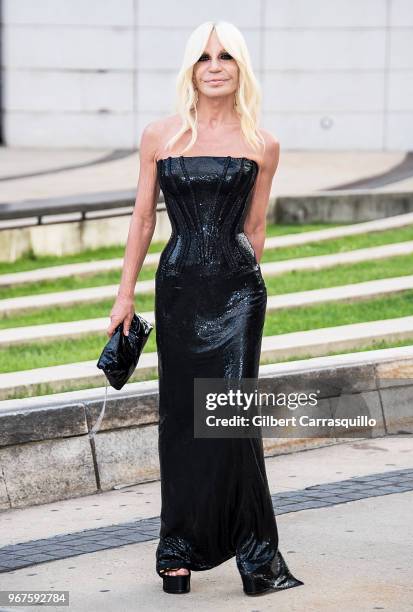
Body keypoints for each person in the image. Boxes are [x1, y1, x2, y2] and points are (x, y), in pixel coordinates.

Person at [108, 20, 304, 597]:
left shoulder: (262, 142)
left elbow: (257, 225)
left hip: (239, 294)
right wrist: (125, 295)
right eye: (204, 57)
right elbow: (143, 219)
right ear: (190, 69)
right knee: (182, 420)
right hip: (179, 291)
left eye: (226, 57)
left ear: (240, 68)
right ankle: (179, 548)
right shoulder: (159, 136)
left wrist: (248, 285)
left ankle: (255, 552)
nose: (214, 65)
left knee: (232, 420)